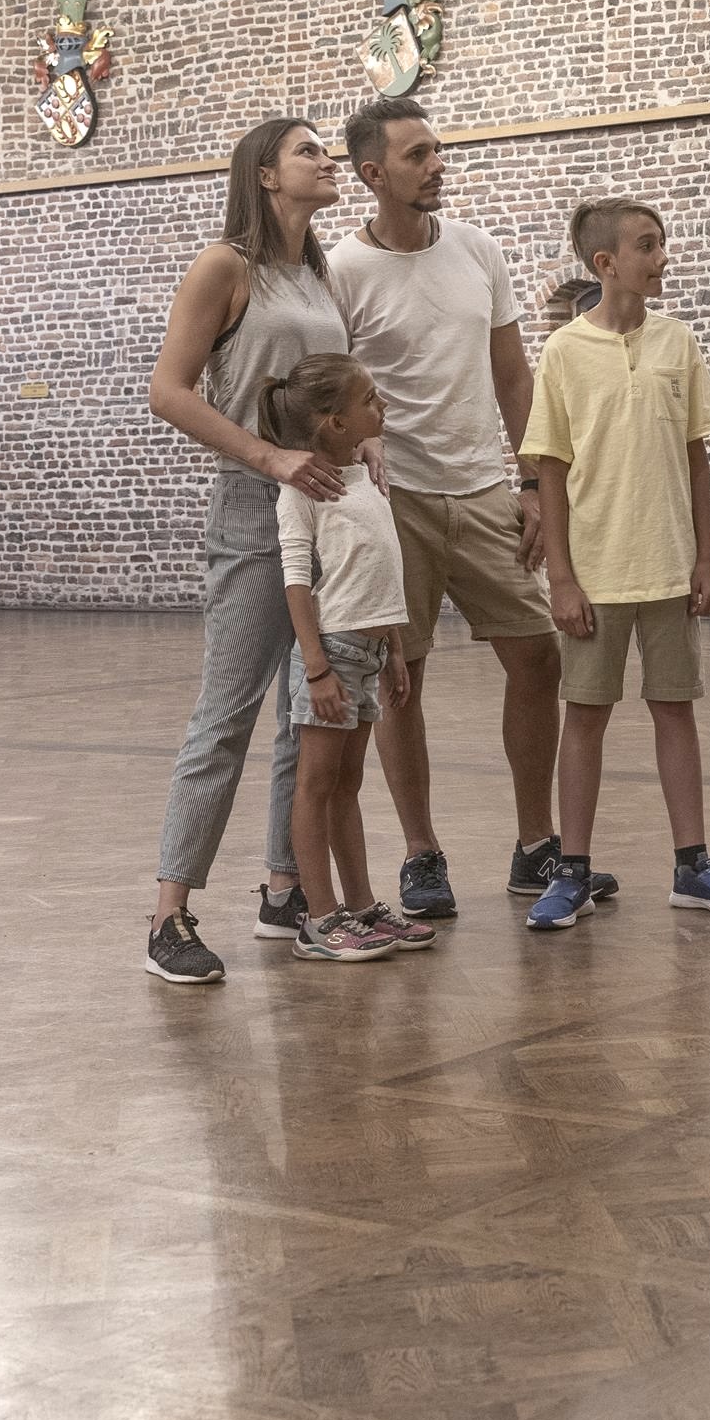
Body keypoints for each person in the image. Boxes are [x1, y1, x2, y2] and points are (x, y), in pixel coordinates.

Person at [329, 95, 611, 920]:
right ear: (373, 173)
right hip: (395, 501)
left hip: (484, 488)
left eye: (437, 150)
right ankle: (421, 853)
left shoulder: (478, 250)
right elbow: (332, 394)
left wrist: (531, 483)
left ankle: (535, 844)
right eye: (416, 155)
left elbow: (513, 376)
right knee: (400, 678)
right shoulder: (342, 272)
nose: (437, 165)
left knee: (538, 658)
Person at [140, 116, 352, 986]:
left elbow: (331, 391)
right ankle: (168, 917)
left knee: (310, 712)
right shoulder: (223, 266)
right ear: (265, 175)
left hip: (325, 503)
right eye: (309, 150)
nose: (327, 159)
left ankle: (285, 891)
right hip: (254, 502)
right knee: (226, 715)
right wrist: (269, 459)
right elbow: (168, 391)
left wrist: (364, 443)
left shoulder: (318, 273)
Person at [516, 196, 710, 933]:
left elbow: (696, 458)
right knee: (585, 717)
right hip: (594, 575)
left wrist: (706, 558)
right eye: (648, 245)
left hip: (668, 567)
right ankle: (571, 871)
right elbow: (550, 468)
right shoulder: (563, 352)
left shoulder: (678, 342)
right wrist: (562, 577)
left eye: (662, 243)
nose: (662, 257)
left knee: (675, 710)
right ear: (606, 263)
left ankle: (694, 866)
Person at [266, 352, 426, 965]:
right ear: (335, 422)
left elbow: (380, 572)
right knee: (316, 784)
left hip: (368, 653)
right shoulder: (302, 490)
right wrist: (317, 668)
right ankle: (319, 918)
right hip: (331, 655)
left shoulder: (364, 477)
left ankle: (359, 906)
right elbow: (296, 581)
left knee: (348, 785)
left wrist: (395, 650)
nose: (381, 406)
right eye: (369, 400)